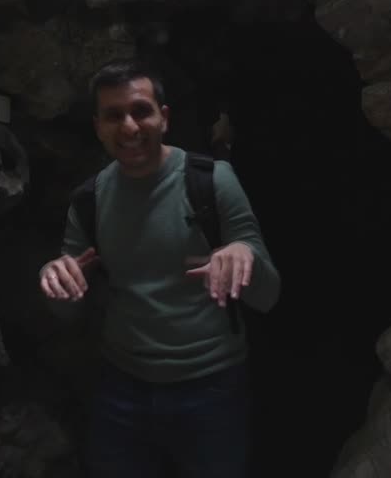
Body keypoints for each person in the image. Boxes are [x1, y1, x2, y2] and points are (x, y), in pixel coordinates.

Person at [38, 59, 281, 478]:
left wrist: (244, 257)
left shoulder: (212, 181)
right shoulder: (89, 201)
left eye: (140, 111)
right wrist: (57, 282)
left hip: (211, 387)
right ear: (98, 126)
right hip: (123, 387)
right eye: (114, 116)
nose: (130, 128)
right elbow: (68, 310)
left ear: (163, 118)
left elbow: (269, 296)